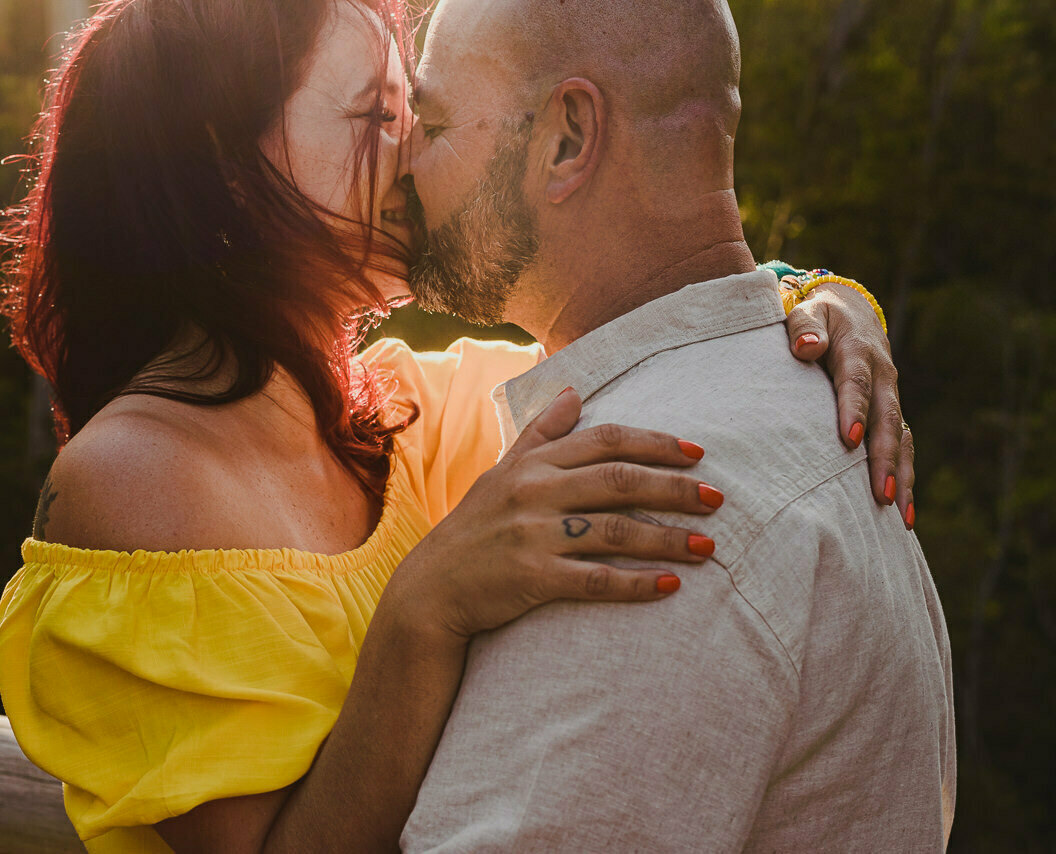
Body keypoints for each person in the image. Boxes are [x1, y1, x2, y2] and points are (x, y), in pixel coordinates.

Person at [0, 0, 913, 851]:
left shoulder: (416, 407)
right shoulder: (132, 481)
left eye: (417, 120)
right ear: (220, 167)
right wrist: (421, 612)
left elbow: (649, 336)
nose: (413, 160)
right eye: (375, 119)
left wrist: (819, 303)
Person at [398, 0, 954, 850]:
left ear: (568, 138)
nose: (401, 161)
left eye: (430, 122)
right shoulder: (793, 399)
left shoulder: (641, 506)